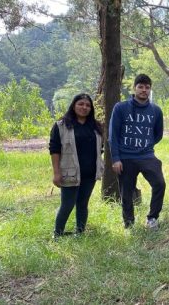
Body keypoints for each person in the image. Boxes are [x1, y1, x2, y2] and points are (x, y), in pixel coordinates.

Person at [109, 74, 166, 229]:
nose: (144, 90)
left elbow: (158, 134)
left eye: (147, 87)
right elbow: (113, 135)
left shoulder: (156, 110)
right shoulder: (120, 108)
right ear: (134, 88)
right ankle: (129, 222)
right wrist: (116, 158)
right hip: (125, 157)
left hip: (147, 156)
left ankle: (152, 218)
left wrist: (145, 145)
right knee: (126, 192)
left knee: (160, 184)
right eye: (140, 86)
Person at [50, 93, 104, 237]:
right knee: (67, 205)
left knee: (83, 204)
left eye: (87, 105)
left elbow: (101, 148)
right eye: (80, 104)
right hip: (69, 172)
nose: (84, 107)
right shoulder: (61, 126)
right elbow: (54, 150)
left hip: (90, 173)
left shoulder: (96, 126)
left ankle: (80, 233)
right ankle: (58, 234)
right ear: (73, 105)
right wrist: (56, 173)